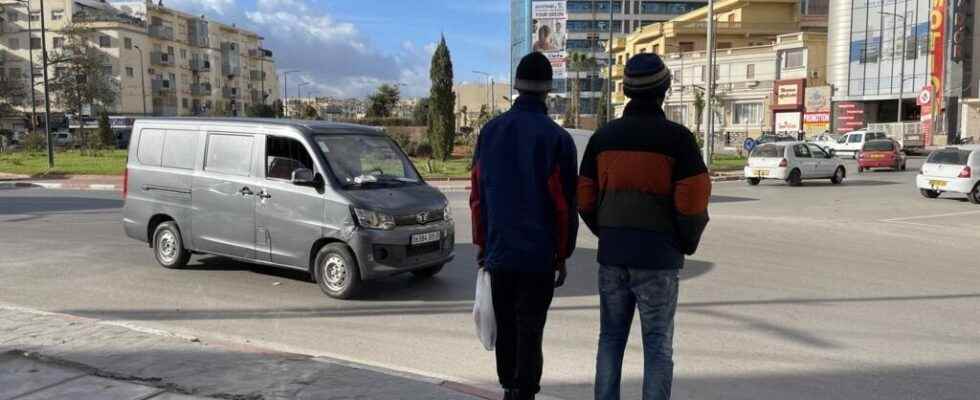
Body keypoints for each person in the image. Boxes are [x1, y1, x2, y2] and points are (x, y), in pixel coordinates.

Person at [578, 53, 711, 400]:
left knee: (610, 340)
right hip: (658, 260)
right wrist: (683, 242)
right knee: (657, 347)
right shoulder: (679, 141)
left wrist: (608, 233)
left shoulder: (603, 138)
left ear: (626, 90)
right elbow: (693, 203)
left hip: (613, 256)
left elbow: (585, 198)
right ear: (664, 89)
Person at [470, 52, 579, 400]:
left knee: (506, 328)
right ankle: (524, 392)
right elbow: (564, 205)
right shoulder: (558, 139)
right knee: (530, 329)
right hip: (538, 257)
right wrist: (562, 255)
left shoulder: (490, 132)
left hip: (499, 252)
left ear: (517, 87)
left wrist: (482, 245)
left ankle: (509, 387)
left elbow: (477, 196)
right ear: (548, 90)